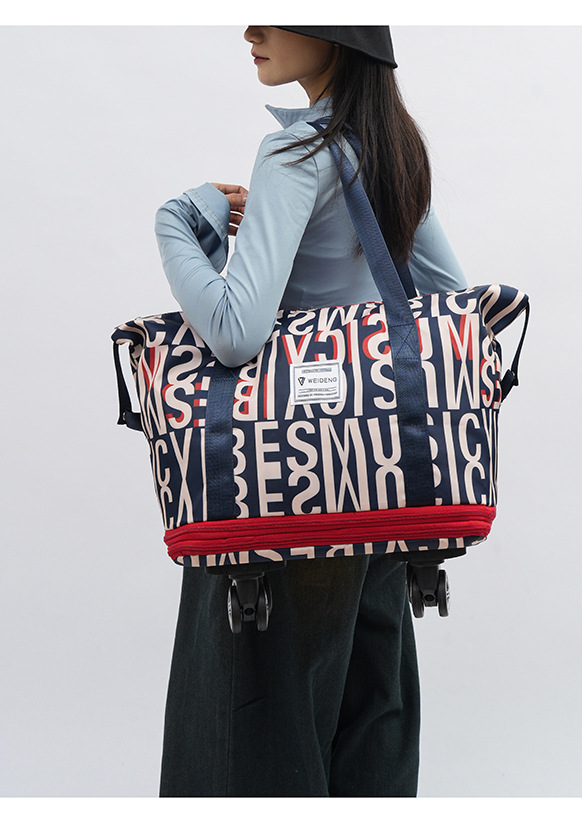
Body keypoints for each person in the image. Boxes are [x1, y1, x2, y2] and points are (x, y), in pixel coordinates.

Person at [153, 26, 467, 797]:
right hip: (378, 488)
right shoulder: (391, 151)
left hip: (281, 488)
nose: (252, 29)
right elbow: (450, 304)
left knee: (259, 736)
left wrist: (178, 223)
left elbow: (234, 332)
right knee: (367, 729)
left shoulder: (294, 154)